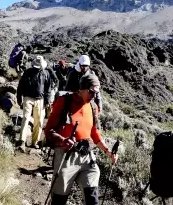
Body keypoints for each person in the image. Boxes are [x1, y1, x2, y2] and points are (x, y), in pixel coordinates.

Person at [44, 74, 118, 205]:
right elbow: (48, 129)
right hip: (66, 156)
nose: (94, 96)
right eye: (91, 92)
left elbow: (94, 132)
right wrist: (62, 140)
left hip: (86, 155)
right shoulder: (64, 101)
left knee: (92, 197)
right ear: (81, 89)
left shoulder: (92, 106)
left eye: (96, 93)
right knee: (59, 199)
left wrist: (108, 152)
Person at [16, 55, 52, 152]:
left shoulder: (46, 73)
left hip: (40, 100)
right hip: (28, 98)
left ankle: (35, 142)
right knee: (26, 118)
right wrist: (19, 97)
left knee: (39, 121)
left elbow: (48, 88)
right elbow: (21, 85)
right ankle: (22, 141)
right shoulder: (27, 72)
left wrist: (48, 101)